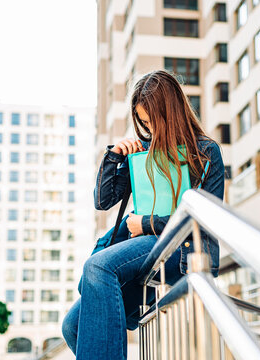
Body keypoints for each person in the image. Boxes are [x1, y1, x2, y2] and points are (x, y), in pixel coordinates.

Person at [61, 70, 225, 359]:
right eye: (143, 122)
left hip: (185, 250)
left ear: (170, 114)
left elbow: (203, 220)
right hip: (146, 252)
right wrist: (114, 157)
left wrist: (145, 223)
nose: (148, 128)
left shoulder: (205, 152)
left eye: (151, 121)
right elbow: (103, 201)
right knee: (73, 325)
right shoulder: (143, 152)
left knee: (98, 267)